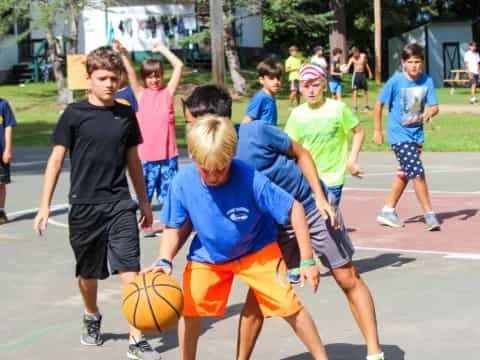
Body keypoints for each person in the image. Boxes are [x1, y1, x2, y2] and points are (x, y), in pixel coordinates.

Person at [183, 85, 384, 360]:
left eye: (193, 124)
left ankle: (374, 352)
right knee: (259, 295)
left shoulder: (256, 133)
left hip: (309, 207)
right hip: (270, 223)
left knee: (345, 275)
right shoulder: (206, 161)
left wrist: (320, 197)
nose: (190, 133)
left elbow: (301, 153)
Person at [146, 115, 329, 360]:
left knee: (289, 307)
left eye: (221, 169)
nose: (213, 176)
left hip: (257, 250)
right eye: (206, 169)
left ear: (232, 154)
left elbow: (294, 208)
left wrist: (307, 259)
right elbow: (174, 227)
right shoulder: (182, 183)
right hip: (209, 255)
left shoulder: (249, 177)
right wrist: (164, 259)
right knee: (190, 310)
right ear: (191, 154)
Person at [32, 46, 158, 360]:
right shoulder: (74, 115)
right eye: (102, 78)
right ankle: (91, 314)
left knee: (130, 271)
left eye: (114, 78)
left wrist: (143, 202)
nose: (109, 84)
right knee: (88, 275)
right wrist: (44, 205)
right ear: (88, 79)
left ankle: (136, 338)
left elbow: (134, 161)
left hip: (119, 204)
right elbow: (56, 159)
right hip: (85, 206)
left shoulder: (126, 113)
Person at [115, 39, 183, 237]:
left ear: (162, 76)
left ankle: (167, 223)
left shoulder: (168, 93)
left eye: (157, 76)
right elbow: (130, 73)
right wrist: (123, 54)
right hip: (145, 157)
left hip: (168, 156)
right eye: (150, 77)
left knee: (169, 194)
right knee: (143, 193)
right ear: (145, 78)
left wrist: (162, 49)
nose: (154, 80)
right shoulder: (140, 94)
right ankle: (144, 223)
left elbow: (178, 65)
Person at [373, 43, 440, 231]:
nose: (414, 65)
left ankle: (387, 210)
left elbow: (435, 106)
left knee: (405, 173)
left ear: (423, 62)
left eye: (417, 61)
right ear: (403, 63)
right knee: (417, 172)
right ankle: (429, 214)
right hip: (398, 135)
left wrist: (430, 113)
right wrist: (377, 131)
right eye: (410, 62)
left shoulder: (427, 81)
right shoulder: (395, 82)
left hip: (416, 136)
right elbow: (378, 105)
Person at [285, 64, 365, 206]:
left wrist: (352, 160)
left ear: (324, 86)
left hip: (333, 178)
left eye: (315, 85)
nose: (311, 91)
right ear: (301, 88)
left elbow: (359, 131)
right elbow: (288, 145)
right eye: (306, 86)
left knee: (327, 218)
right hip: (308, 177)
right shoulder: (297, 114)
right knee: (313, 222)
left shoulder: (338, 109)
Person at [242, 57, 282, 125]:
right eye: (271, 78)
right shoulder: (260, 98)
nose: (276, 82)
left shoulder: (271, 98)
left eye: (278, 78)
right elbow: (246, 122)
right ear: (261, 80)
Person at [0, 97, 16, 224]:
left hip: (1, 152)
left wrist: (8, 149)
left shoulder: (3, 105)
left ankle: (0, 211)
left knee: (0, 184)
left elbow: (8, 127)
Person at [345, 47, 373, 112]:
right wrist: (345, 70)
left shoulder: (363, 56)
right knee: (355, 91)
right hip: (356, 75)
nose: (354, 55)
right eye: (353, 54)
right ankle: (355, 107)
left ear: (358, 52)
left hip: (363, 74)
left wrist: (370, 72)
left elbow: (366, 64)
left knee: (365, 91)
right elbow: (347, 67)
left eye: (354, 54)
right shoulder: (352, 59)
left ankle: (366, 107)